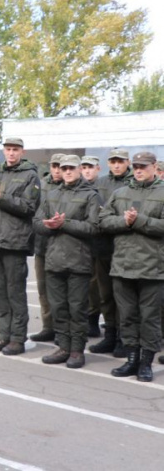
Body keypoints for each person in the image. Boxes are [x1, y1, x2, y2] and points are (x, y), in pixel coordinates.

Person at [99, 151, 164, 382]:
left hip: (154, 267)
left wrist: (140, 221)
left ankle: (146, 363)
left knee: (150, 318)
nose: (138, 170)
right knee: (127, 316)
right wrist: (123, 221)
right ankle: (131, 359)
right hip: (123, 266)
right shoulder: (120, 193)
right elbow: (103, 221)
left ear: (155, 167)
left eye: (143, 166)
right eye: (135, 166)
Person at [33, 155, 101, 368]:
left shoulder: (91, 195)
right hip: (54, 260)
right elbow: (36, 223)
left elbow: (94, 227)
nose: (68, 171)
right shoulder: (52, 195)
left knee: (77, 308)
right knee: (58, 307)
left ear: (80, 169)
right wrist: (48, 224)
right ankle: (63, 346)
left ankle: (76, 350)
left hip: (79, 261)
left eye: (72, 168)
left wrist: (65, 223)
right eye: (64, 168)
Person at [0, 137, 41, 355]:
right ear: (4, 151)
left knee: (15, 293)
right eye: (8, 149)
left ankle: (17, 338)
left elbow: (29, 207)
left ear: (22, 152)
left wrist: (0, 196)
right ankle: (4, 335)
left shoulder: (30, 175)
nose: (11, 153)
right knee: (0, 293)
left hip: (15, 241)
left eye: (15, 149)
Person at [89, 149, 133, 357]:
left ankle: (125, 339)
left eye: (120, 161)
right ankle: (110, 335)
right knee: (105, 296)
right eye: (113, 161)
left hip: (126, 250)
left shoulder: (133, 183)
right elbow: (97, 216)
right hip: (103, 248)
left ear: (128, 162)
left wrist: (114, 223)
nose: (116, 165)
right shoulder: (101, 183)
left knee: (124, 298)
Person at [30, 153, 64, 343]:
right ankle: (48, 326)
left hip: (63, 247)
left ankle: (62, 329)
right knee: (43, 289)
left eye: (61, 166)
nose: (58, 170)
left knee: (61, 292)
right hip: (42, 244)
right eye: (54, 166)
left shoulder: (70, 186)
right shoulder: (42, 185)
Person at [80, 155, 103, 337]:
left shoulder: (103, 187)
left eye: (91, 167)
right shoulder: (77, 187)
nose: (87, 170)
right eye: (84, 167)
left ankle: (94, 320)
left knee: (97, 286)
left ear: (98, 168)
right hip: (80, 245)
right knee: (84, 286)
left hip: (101, 245)